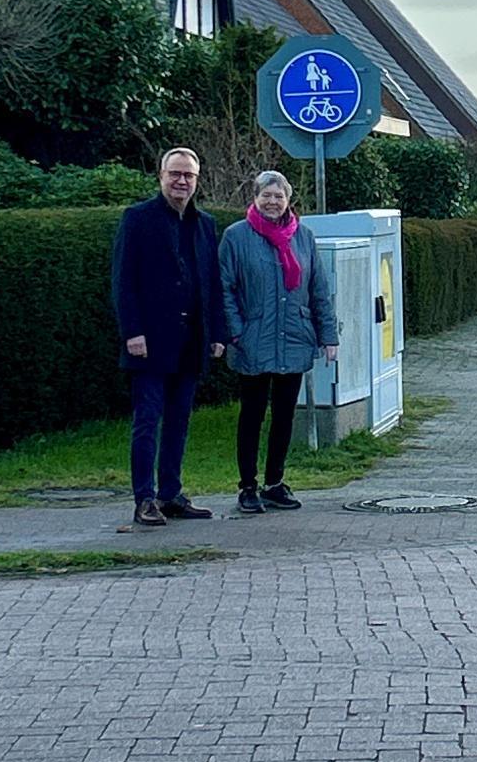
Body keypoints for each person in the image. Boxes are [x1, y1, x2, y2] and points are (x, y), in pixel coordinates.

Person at [112, 148, 226, 527]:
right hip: (150, 339)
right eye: (175, 174)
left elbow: (211, 282)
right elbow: (124, 281)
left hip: (191, 339)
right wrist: (133, 332)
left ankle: (171, 494)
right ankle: (144, 498)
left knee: (179, 420)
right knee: (148, 419)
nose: (182, 181)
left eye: (188, 176)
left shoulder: (204, 224)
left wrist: (216, 333)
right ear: (161, 176)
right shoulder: (138, 219)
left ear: (197, 180)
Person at [219, 170, 338, 514]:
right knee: (252, 414)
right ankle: (247, 486)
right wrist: (236, 331)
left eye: (278, 196)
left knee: (285, 414)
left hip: (294, 338)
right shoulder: (236, 237)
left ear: (289, 200)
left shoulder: (304, 237)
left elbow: (318, 290)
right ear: (255, 198)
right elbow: (224, 288)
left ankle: (274, 482)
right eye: (266, 196)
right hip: (253, 340)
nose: (272, 202)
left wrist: (328, 335)